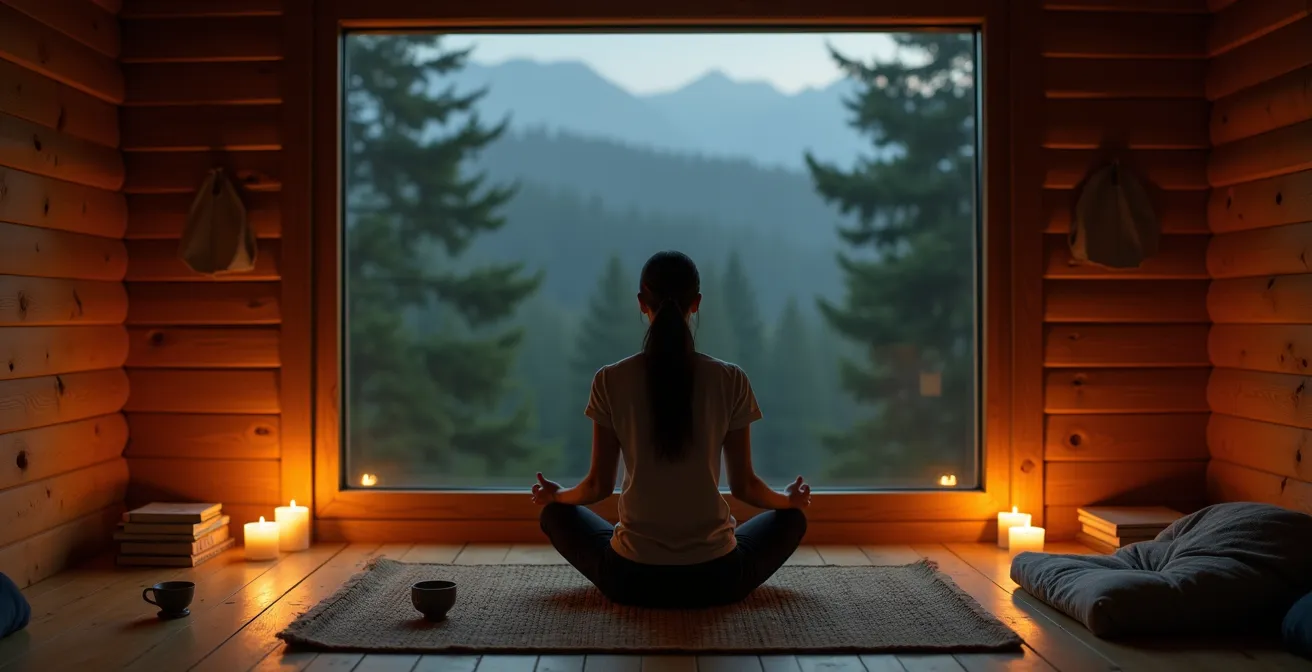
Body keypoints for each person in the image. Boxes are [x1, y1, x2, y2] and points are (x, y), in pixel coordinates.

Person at [532, 250, 811, 608]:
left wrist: (557, 496)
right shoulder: (730, 379)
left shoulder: (610, 379)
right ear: (696, 304)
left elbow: (598, 486)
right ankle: (715, 543)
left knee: (555, 515)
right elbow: (745, 486)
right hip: (717, 579)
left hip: (630, 580)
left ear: (640, 303)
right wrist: (789, 501)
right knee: (791, 521)